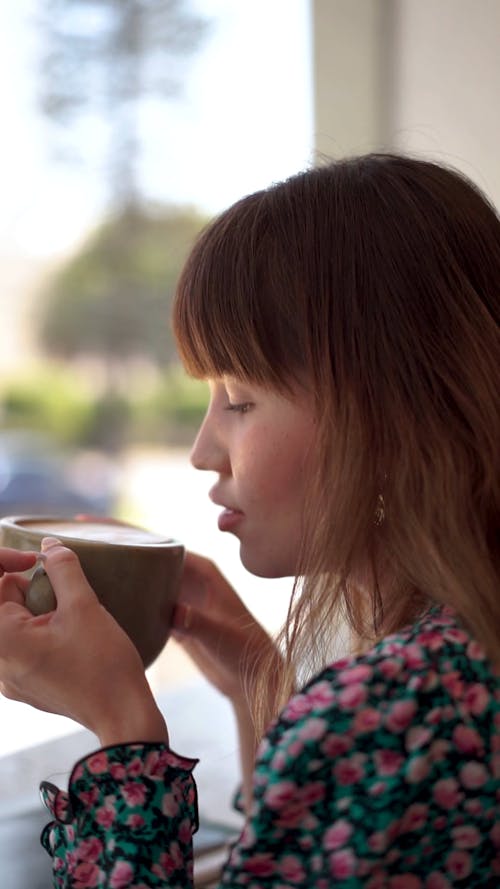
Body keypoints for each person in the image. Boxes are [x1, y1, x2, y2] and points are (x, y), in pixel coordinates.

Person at [0, 152, 499, 888]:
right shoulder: (453, 663)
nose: (203, 451)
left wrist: (122, 735)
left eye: (239, 400)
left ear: (395, 417)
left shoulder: (388, 710)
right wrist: (256, 684)